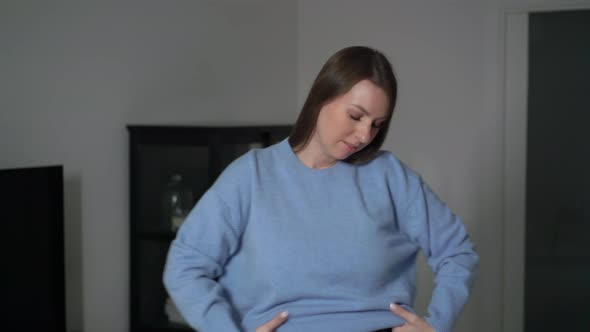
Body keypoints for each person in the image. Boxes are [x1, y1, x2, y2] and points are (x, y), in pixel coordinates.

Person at [163, 46, 479, 332]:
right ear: (321, 98)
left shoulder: (390, 176)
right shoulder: (251, 176)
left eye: (377, 124)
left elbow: (457, 252)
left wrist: (437, 324)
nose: (364, 134)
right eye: (356, 116)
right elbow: (185, 267)